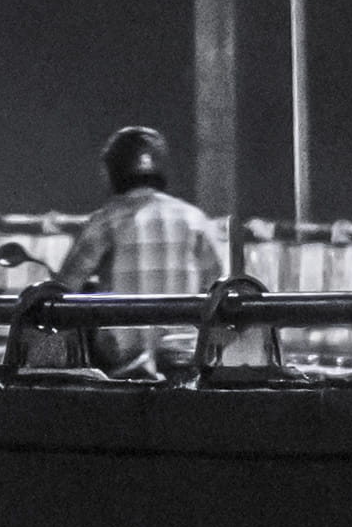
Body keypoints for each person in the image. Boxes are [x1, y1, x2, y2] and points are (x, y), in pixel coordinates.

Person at [55, 124, 231, 371]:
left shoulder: (106, 221)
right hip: (184, 359)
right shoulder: (194, 219)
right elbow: (225, 289)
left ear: (114, 171)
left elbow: (61, 292)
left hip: (120, 362)